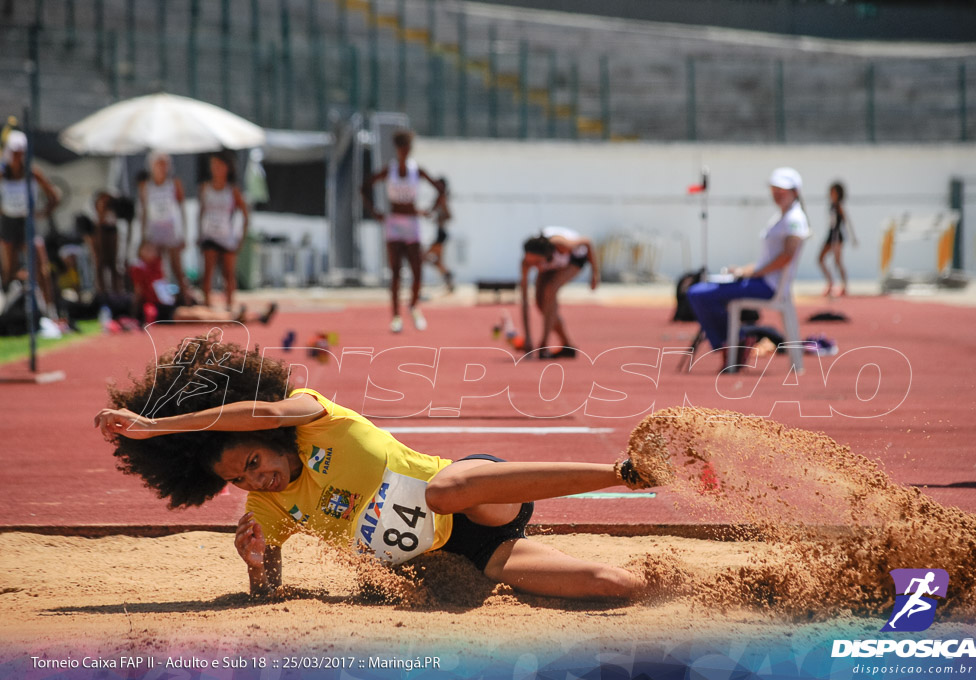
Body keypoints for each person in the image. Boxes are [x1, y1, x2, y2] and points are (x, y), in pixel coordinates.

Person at [94, 335, 664, 600]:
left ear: (266, 437)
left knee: (443, 490)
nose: (252, 480)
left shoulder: (315, 416)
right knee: (608, 586)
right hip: (464, 554)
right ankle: (681, 588)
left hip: (476, 494)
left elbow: (263, 409)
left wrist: (156, 426)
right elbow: (268, 593)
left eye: (252, 461)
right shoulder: (267, 506)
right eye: (236, 480)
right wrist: (256, 563)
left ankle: (625, 472)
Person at [687, 167, 811, 371]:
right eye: (774, 189)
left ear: (795, 191)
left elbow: (786, 256)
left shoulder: (794, 219)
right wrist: (743, 271)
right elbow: (768, 261)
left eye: (783, 190)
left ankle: (733, 343)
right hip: (760, 281)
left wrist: (754, 273)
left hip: (767, 286)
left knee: (698, 293)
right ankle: (733, 342)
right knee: (703, 291)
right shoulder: (783, 216)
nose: (777, 194)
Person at [361, 130, 444, 333]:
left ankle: (414, 306)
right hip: (394, 224)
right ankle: (396, 316)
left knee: (417, 270)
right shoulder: (389, 171)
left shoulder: (417, 171)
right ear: (397, 150)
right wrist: (375, 212)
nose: (404, 152)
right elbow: (364, 187)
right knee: (396, 272)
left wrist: (430, 210)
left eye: (407, 149)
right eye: (401, 149)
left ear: (410, 150)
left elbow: (441, 189)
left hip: (412, 224)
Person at [129, 241, 275, 324]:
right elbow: (139, 292)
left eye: (152, 249)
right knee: (198, 316)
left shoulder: (157, 266)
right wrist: (135, 314)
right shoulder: (138, 268)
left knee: (204, 310)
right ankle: (236, 317)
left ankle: (255, 316)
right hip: (159, 310)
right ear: (140, 251)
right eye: (147, 249)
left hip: (169, 303)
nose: (151, 252)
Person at [0, 130, 60, 314]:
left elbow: (54, 196)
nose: (19, 157)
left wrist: (43, 212)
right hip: (8, 223)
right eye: (15, 153)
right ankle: (9, 309)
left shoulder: (33, 173)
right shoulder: (2, 173)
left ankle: (50, 310)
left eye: (21, 153)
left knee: (40, 265)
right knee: (9, 268)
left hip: (27, 222)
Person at [520, 226, 599, 359]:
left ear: (546, 256)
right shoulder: (526, 263)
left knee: (550, 289)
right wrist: (527, 337)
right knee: (541, 305)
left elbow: (587, 242)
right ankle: (567, 345)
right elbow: (524, 300)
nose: (536, 267)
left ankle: (544, 344)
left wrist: (595, 274)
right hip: (553, 262)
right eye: (532, 264)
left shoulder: (560, 245)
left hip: (574, 259)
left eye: (538, 263)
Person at [138, 152, 191, 305]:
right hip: (154, 234)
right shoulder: (146, 186)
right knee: (157, 270)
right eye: (158, 164)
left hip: (171, 232)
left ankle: (186, 300)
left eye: (164, 164)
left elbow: (182, 210)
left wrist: (183, 234)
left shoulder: (174, 184)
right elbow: (143, 213)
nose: (161, 168)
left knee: (177, 269)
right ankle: (161, 301)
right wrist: (143, 237)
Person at [198, 151, 249, 309]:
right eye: (213, 166)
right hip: (210, 235)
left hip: (227, 236)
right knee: (207, 273)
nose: (216, 169)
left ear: (227, 168)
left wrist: (241, 236)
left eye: (219, 166)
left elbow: (245, 214)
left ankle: (229, 306)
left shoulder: (232, 190)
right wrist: (199, 234)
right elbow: (200, 212)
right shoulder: (205, 188)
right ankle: (207, 305)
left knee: (228, 273)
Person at [818, 181, 856, 297]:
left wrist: (852, 237)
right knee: (820, 259)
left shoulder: (839, 206)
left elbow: (847, 222)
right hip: (830, 235)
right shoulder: (831, 205)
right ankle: (830, 283)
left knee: (838, 262)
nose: (831, 193)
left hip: (837, 236)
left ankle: (844, 286)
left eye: (834, 191)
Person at [422, 176, 454, 294]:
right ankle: (448, 277)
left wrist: (439, 218)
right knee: (437, 262)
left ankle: (420, 286)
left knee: (423, 257)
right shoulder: (439, 198)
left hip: (441, 234)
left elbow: (449, 216)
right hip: (439, 233)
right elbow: (432, 211)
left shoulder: (442, 198)